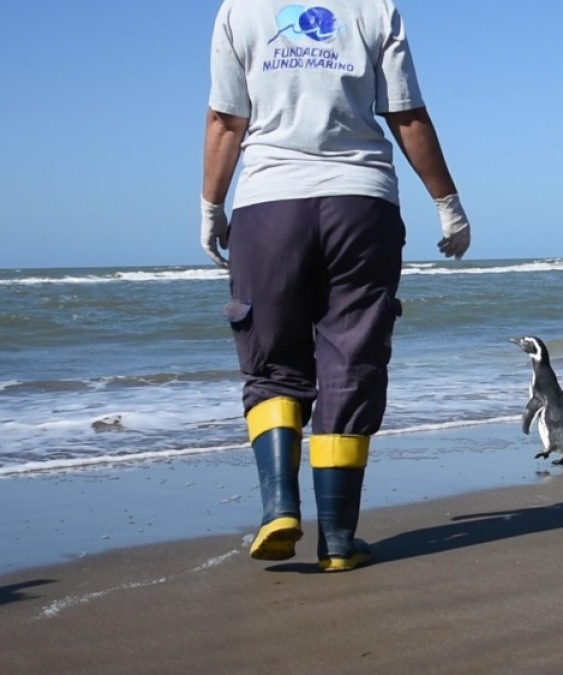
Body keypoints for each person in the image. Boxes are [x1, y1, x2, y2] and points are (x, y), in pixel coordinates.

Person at [201, 0, 471, 572]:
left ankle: (279, 507)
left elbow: (226, 119)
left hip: (269, 205)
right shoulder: (376, 9)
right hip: (362, 203)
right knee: (352, 359)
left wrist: (211, 205)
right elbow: (407, 115)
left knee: (271, 363)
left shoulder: (239, 10)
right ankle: (340, 539)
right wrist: (447, 203)